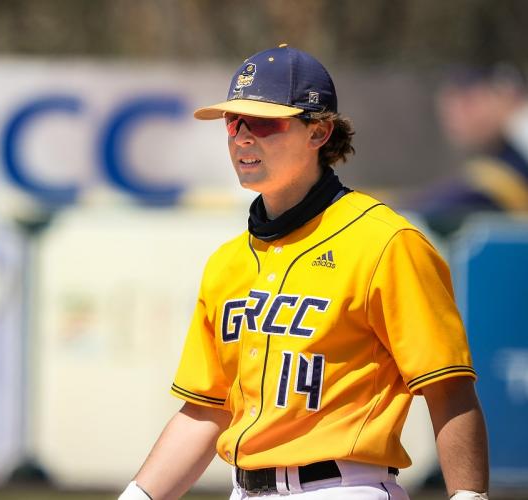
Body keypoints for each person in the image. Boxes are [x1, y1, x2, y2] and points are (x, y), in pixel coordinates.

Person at [118, 44, 489, 500]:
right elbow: (206, 412)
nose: (242, 137)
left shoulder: (386, 242)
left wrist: (470, 497)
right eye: (233, 122)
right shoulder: (228, 262)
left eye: (263, 122)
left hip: (341, 487)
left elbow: (448, 388)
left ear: (319, 132)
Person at [408, 63, 528, 235]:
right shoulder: (499, 156)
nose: (454, 114)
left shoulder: (517, 148)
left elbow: (470, 195)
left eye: (468, 100)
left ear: (507, 94)